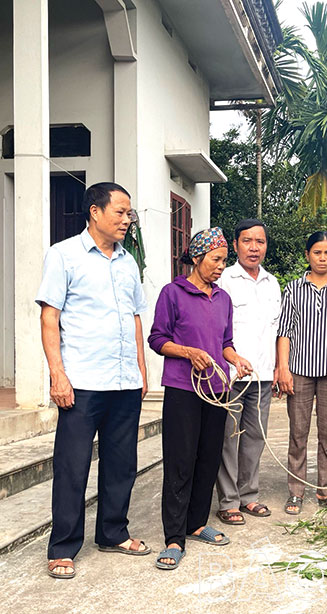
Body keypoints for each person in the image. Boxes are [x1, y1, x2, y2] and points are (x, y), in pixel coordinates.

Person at [36, 182, 151, 580]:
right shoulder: (64, 255)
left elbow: (135, 317)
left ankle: (113, 532)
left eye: (128, 213)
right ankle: (63, 547)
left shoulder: (128, 262)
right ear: (95, 212)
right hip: (82, 381)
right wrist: (58, 375)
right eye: (119, 212)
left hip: (124, 380)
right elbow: (49, 317)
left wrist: (141, 369)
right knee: (73, 467)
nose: (126, 219)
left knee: (122, 464)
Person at [148, 227, 253, 570]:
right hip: (183, 388)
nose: (221, 266)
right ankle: (174, 537)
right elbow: (158, 338)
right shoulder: (173, 293)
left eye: (224, 260)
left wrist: (235, 358)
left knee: (208, 458)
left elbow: (225, 341)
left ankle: (196, 523)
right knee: (180, 460)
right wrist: (187, 352)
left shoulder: (222, 298)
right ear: (197, 258)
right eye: (216, 259)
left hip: (217, 389)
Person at [276, 232, 327, 515]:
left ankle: (326, 491)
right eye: (317, 253)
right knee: (298, 434)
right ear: (308, 255)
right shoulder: (293, 289)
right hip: (299, 372)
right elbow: (284, 331)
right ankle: (296, 492)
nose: (322, 258)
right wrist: (283, 368)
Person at [215, 219, 281, 524]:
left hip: (264, 375)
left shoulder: (272, 283)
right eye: (247, 241)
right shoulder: (225, 279)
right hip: (231, 376)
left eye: (260, 241)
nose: (254, 247)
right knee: (229, 438)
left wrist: (280, 367)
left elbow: (277, 330)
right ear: (236, 244)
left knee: (256, 437)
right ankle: (228, 501)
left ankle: (249, 495)